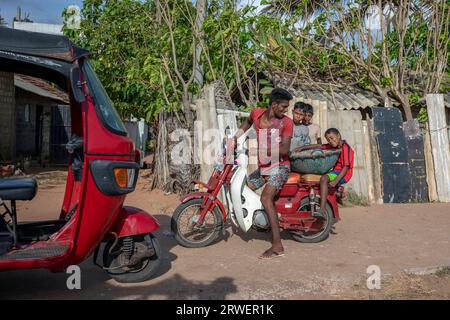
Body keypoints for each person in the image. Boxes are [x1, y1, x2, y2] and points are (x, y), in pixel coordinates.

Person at [229, 88, 294, 259]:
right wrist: (234, 138)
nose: (286, 110)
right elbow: (246, 124)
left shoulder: (287, 123)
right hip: (264, 167)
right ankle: (262, 221)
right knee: (243, 188)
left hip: (280, 167)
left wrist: (265, 149)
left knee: (266, 198)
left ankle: (277, 246)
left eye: (287, 107)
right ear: (274, 104)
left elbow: (286, 149)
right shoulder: (256, 114)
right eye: (284, 106)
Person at [296, 128, 354, 218]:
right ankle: (337, 193)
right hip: (336, 172)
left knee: (324, 179)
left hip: (342, 174)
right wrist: (302, 148)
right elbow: (319, 146)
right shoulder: (334, 146)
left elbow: (345, 167)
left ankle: (322, 209)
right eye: (328, 139)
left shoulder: (346, 148)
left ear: (338, 135)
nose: (330, 141)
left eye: (332, 138)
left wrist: (335, 182)